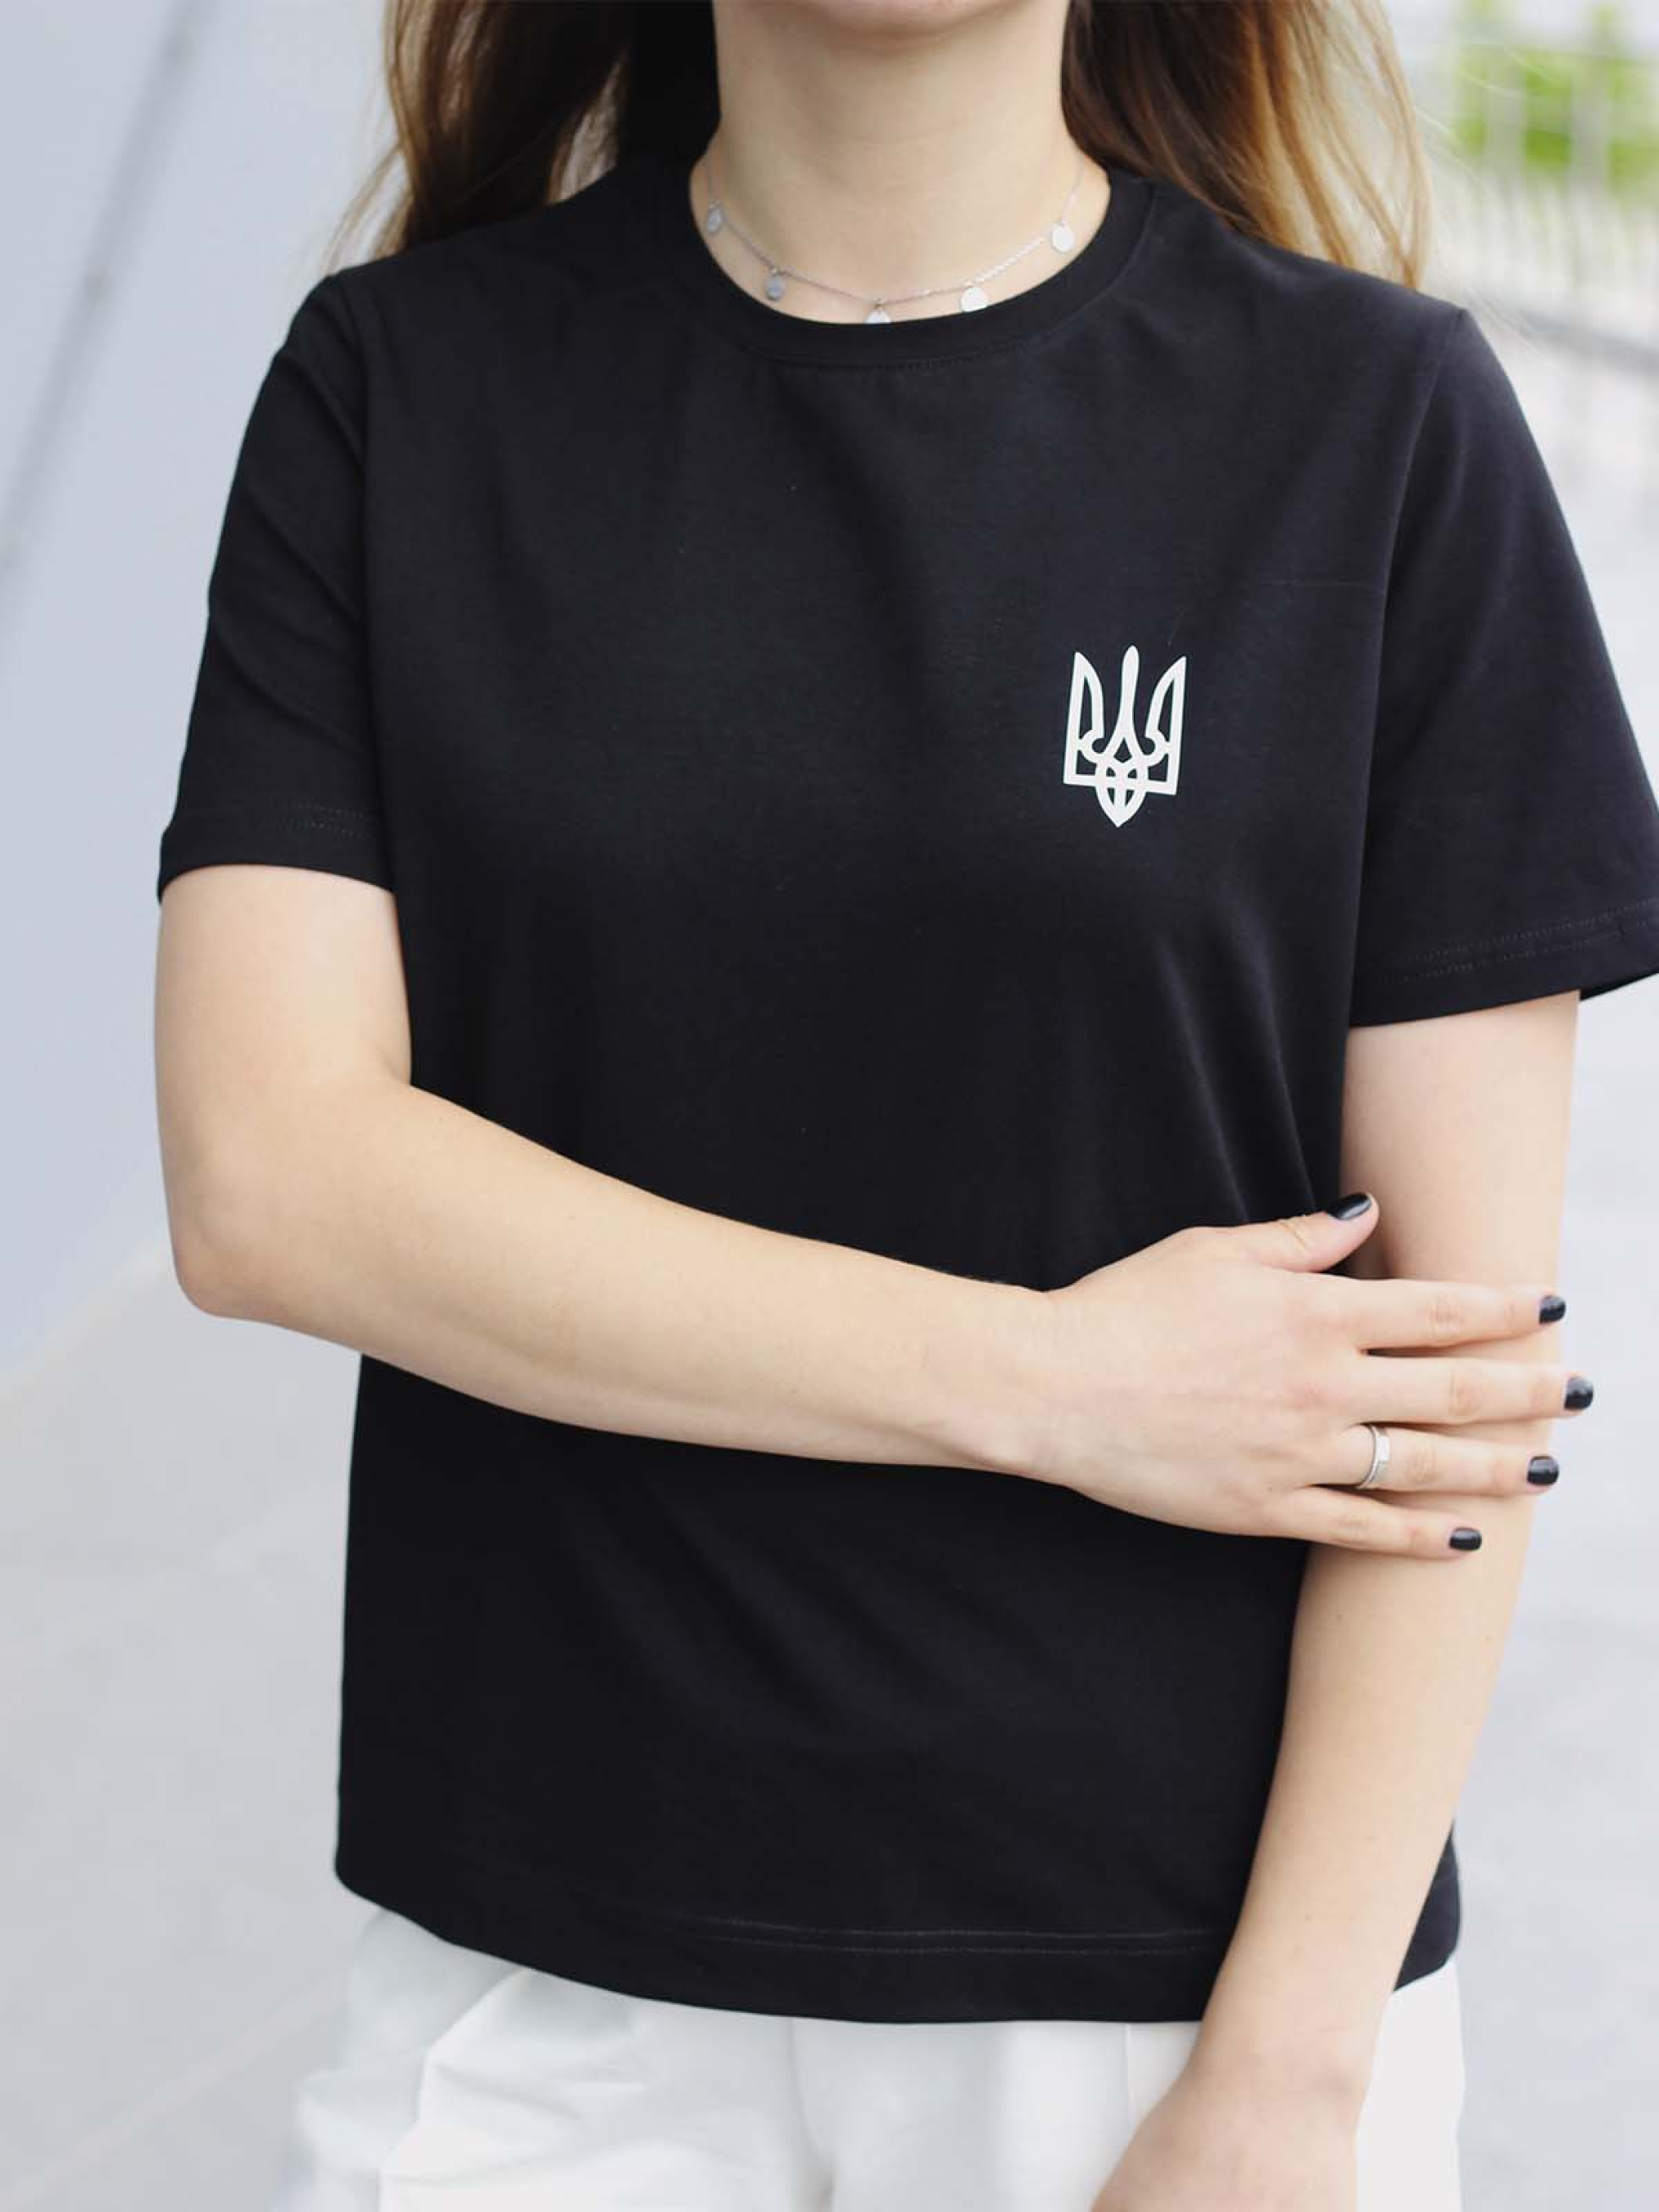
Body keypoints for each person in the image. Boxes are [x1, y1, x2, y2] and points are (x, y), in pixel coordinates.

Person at [151, 2, 1659, 2207]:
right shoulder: (400, 391)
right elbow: (273, 1180)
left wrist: (1285, 2080)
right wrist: (1053, 1380)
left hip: (1156, 1994)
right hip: (541, 1978)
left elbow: (1450, 1382)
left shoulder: (1373, 428)